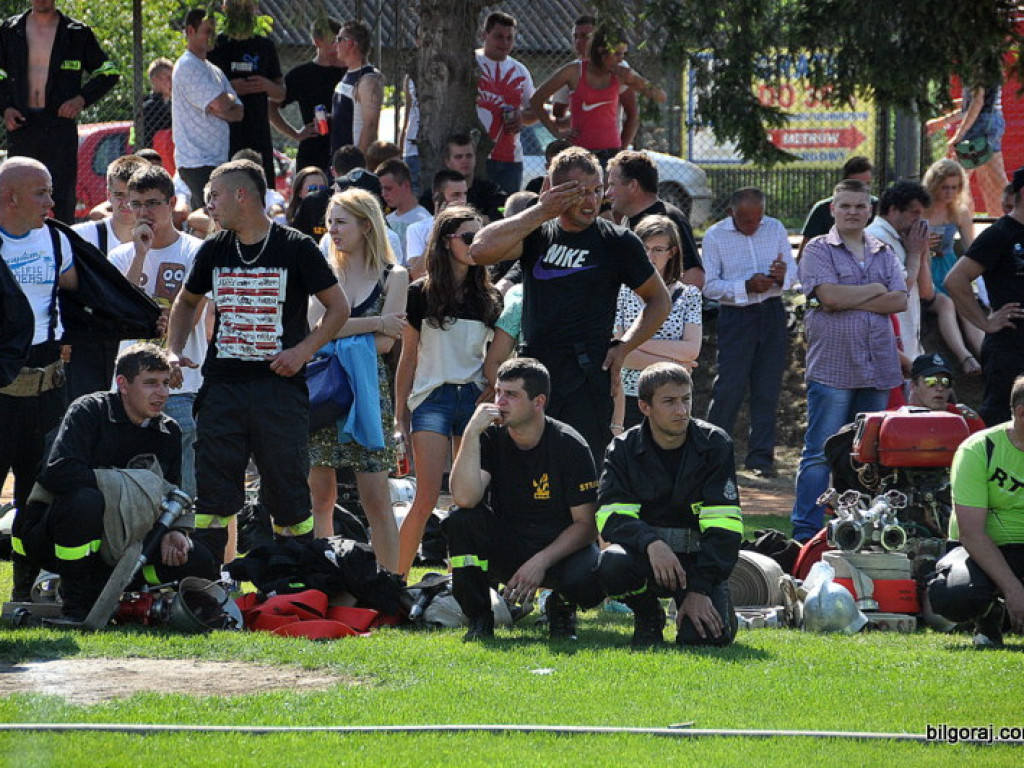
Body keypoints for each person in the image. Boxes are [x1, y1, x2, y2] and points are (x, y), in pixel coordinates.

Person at [165, 159, 349, 563]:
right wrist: (173, 350)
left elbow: (339, 308)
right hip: (221, 389)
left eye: (214, 196)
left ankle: (291, 580)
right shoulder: (214, 248)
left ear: (241, 195)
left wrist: (303, 350)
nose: (207, 204)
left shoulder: (296, 246)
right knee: (214, 492)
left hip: (278, 390)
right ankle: (211, 580)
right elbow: (186, 303)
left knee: (286, 489)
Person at [471, 146, 672, 465]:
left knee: (583, 473)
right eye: (579, 192)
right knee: (527, 468)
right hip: (534, 373)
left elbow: (659, 301)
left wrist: (623, 347)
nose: (592, 201)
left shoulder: (617, 242)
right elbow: (479, 250)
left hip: (587, 375)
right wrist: (540, 210)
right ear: (554, 191)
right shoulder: (536, 233)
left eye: (597, 190)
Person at [11, 343, 219, 621]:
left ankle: (135, 591)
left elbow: (171, 493)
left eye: (166, 383)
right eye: (150, 384)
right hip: (61, 536)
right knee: (85, 501)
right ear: (122, 383)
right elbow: (58, 473)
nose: (162, 393)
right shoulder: (88, 411)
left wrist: (174, 532)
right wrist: (129, 484)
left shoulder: (168, 431)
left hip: (129, 540)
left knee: (201, 561)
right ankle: (76, 601)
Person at [445, 358, 604, 640]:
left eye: (511, 395)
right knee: (461, 520)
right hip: (509, 545)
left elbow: (586, 525)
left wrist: (541, 561)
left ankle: (561, 607)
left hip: (558, 550)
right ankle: (480, 618)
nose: (500, 402)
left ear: (538, 401)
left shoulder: (570, 445)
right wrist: (470, 432)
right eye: (498, 392)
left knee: (592, 573)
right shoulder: (489, 436)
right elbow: (466, 498)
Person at [791, 179, 907, 543]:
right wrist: (875, 290)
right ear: (833, 210)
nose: (853, 212)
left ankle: (862, 529)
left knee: (869, 456)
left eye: (860, 206)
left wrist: (850, 298)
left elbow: (899, 301)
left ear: (870, 210)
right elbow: (828, 297)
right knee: (820, 453)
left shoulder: (883, 251)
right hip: (834, 369)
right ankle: (805, 531)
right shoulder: (818, 250)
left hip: (877, 369)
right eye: (846, 206)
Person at [596, 362, 742, 647]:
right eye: (670, 401)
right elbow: (610, 516)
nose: (682, 410)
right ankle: (649, 614)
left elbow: (725, 527)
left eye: (686, 399)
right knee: (611, 564)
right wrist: (652, 543)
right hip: (647, 557)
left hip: (697, 562)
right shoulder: (623, 449)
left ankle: (718, 606)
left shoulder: (715, 444)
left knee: (702, 640)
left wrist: (700, 588)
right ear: (645, 407)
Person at [394, 206, 502, 577]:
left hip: (474, 399)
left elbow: (496, 359)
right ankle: (395, 581)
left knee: (467, 499)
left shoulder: (490, 296)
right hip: (432, 398)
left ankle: (469, 583)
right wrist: (398, 418)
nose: (477, 245)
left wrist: (493, 391)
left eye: (481, 236)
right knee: (424, 497)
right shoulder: (419, 293)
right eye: (469, 237)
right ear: (445, 241)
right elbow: (407, 358)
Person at [307, 189, 407, 569]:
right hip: (325, 392)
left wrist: (345, 329)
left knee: (376, 498)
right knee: (321, 497)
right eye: (330, 222)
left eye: (341, 222)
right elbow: (317, 328)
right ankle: (324, 574)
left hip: (369, 396)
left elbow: (385, 345)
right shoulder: (322, 272)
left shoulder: (393, 275)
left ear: (366, 225)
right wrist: (377, 321)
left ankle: (391, 579)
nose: (332, 230)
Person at [1, 158, 78, 601]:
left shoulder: (56, 240)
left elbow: (81, 295)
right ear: (10, 197)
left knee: (35, 498)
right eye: (41, 193)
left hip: (46, 391)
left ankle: (23, 595)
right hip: (1, 392)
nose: (51, 201)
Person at [109, 165, 208, 498]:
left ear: (172, 203)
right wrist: (140, 253)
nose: (143, 212)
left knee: (184, 488)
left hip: (182, 386)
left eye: (152, 203)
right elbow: (118, 310)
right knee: (130, 485)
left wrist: (170, 322)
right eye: (135, 204)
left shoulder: (196, 251)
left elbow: (191, 313)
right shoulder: (121, 255)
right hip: (129, 388)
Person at [701, 188, 795, 477]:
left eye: (758, 219)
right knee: (729, 386)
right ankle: (712, 455)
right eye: (745, 220)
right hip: (736, 316)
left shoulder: (775, 227)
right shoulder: (715, 236)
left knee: (767, 388)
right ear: (731, 213)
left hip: (772, 312)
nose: (753, 225)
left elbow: (794, 273)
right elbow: (709, 286)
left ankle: (761, 459)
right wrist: (745, 286)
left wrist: (782, 277)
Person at [0, 0, 120, 223]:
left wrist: (81, 99)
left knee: (61, 195)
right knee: (16, 191)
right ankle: (13, 249)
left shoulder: (77, 33)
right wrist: (5, 108)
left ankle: (62, 249)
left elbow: (109, 72)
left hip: (59, 127)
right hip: (22, 126)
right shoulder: (9, 30)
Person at [927, 374, 1024, 647]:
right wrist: (1014, 589)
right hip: (982, 549)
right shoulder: (979, 449)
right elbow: (971, 534)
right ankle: (988, 616)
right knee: (957, 595)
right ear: (1021, 413)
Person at [65, 154, 151, 402]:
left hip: (139, 343)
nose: (125, 204)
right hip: (91, 343)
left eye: (132, 197)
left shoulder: (161, 238)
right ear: (108, 194)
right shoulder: (82, 237)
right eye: (118, 195)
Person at [944, 167, 1024, 427]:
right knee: (1003, 420)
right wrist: (986, 323)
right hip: (1011, 345)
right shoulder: (1000, 234)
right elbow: (955, 280)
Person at [613, 214, 702, 433]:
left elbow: (692, 349)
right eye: (644, 248)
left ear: (672, 253)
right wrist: (676, 362)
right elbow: (622, 356)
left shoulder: (689, 295)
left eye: (658, 249)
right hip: (630, 398)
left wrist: (634, 341)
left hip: (674, 399)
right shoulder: (619, 291)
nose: (650, 255)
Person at [530, 24, 665, 166]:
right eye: (617, 54)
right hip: (579, 152)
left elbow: (660, 96)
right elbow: (536, 100)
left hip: (610, 151)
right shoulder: (574, 71)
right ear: (601, 51)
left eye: (623, 54)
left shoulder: (620, 74)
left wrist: (635, 79)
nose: (621, 59)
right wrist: (556, 132)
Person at [172, 8, 244, 210]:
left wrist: (223, 101)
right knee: (208, 218)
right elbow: (223, 103)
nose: (212, 37)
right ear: (190, 31)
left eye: (213, 31)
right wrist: (225, 100)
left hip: (216, 159)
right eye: (207, 31)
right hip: (197, 162)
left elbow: (239, 112)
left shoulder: (214, 70)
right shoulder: (188, 66)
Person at [207, 0, 284, 187]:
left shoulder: (265, 46)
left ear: (255, 9)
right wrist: (230, 88)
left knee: (262, 186)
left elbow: (281, 94)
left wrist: (266, 85)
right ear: (225, 8)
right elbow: (204, 93)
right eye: (235, 5)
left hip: (258, 130)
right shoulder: (215, 46)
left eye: (247, 5)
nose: (242, 10)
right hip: (225, 133)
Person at [605, 150, 704, 288]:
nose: (607, 192)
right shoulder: (627, 219)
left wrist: (661, 305)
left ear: (633, 185)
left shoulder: (668, 218)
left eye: (612, 185)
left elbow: (694, 277)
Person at [923, 158, 984, 375]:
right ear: (934, 186)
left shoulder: (959, 211)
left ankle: (984, 354)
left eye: (954, 187)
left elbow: (972, 248)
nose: (949, 193)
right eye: (944, 187)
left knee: (965, 303)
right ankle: (964, 357)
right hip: (926, 267)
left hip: (949, 266)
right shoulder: (921, 210)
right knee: (947, 303)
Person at [864, 180, 933, 361]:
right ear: (894, 210)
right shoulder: (876, 238)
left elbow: (926, 292)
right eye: (914, 213)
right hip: (890, 348)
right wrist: (915, 253)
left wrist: (922, 253)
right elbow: (899, 288)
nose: (920, 221)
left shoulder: (907, 239)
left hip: (911, 343)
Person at [269, 17, 345, 178]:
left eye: (340, 40)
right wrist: (295, 134)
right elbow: (270, 107)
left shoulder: (349, 72)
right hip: (313, 152)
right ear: (317, 42)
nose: (337, 46)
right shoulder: (301, 75)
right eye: (332, 41)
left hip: (344, 150)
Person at [476, 12, 537, 195]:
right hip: (475, 156)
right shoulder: (472, 63)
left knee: (506, 213)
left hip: (510, 159)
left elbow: (534, 112)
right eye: (498, 37)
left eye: (510, 38)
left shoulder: (520, 70)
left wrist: (521, 117)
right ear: (484, 35)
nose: (504, 43)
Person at [797, 156, 875, 259]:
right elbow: (804, 255)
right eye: (855, 186)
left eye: (867, 185)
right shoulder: (822, 210)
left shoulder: (878, 207)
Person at [417, 133, 506, 222]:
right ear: (447, 162)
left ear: (475, 158)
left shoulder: (491, 190)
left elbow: (501, 213)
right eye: (458, 157)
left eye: (469, 156)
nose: (464, 160)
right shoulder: (433, 195)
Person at [330, 20, 383, 157]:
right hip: (339, 159)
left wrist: (357, 163)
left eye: (339, 39)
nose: (335, 44)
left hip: (353, 163)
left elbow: (370, 124)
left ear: (351, 43)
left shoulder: (368, 79)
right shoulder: (348, 75)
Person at [405, 169, 469, 278]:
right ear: (437, 198)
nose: (462, 200)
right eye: (456, 195)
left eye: (465, 194)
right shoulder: (417, 229)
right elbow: (417, 274)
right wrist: (437, 229)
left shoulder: (474, 226)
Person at [905, 353, 985, 431]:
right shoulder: (901, 419)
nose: (940, 388)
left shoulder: (966, 419)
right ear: (913, 386)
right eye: (931, 381)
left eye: (945, 382)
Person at [377, 158, 431, 259]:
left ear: (405, 185)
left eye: (388, 188)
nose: (383, 194)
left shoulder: (423, 219)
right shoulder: (386, 219)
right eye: (382, 188)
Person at [141, 58, 174, 157]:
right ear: (155, 80)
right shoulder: (149, 107)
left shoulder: (170, 104)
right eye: (167, 78)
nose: (171, 82)